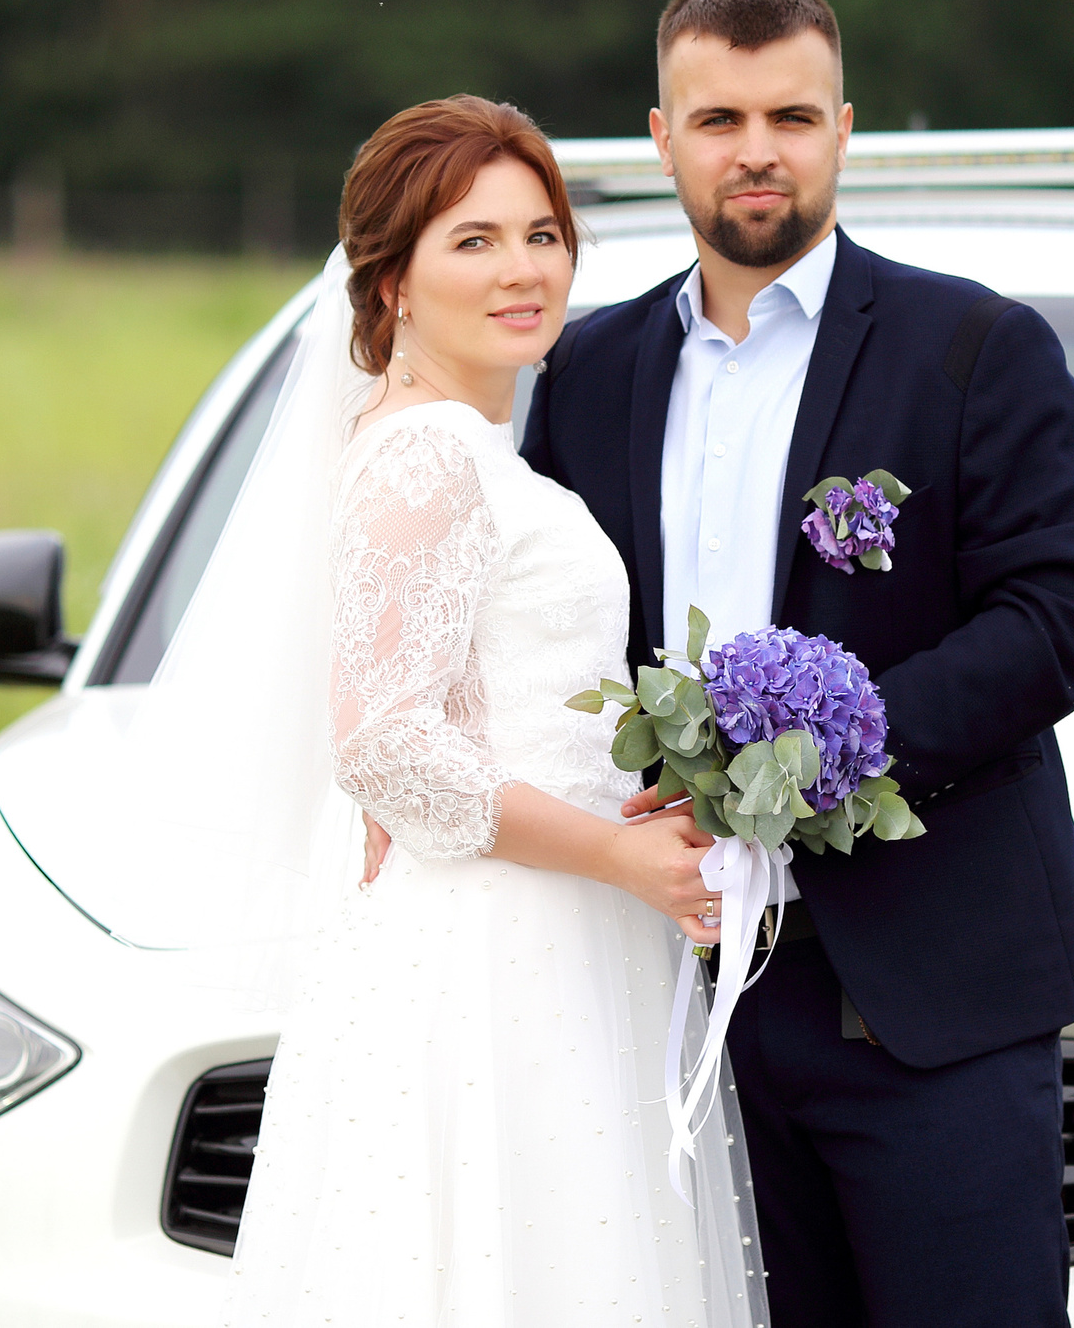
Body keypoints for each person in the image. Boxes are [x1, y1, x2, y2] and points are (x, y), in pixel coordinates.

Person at [522, 0, 1074, 1328]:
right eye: (719, 115)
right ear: (662, 135)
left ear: (842, 127)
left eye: (791, 112)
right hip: (673, 1002)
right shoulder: (587, 373)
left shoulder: (976, 348)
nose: (757, 148)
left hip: (932, 990)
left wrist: (824, 753)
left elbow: (1062, 619)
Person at [205, 95, 769, 1328]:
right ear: (393, 283)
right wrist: (621, 854)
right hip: (488, 944)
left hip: (555, 920)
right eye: (473, 241)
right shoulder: (427, 458)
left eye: (542, 233)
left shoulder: (471, 446)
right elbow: (387, 744)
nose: (523, 269)